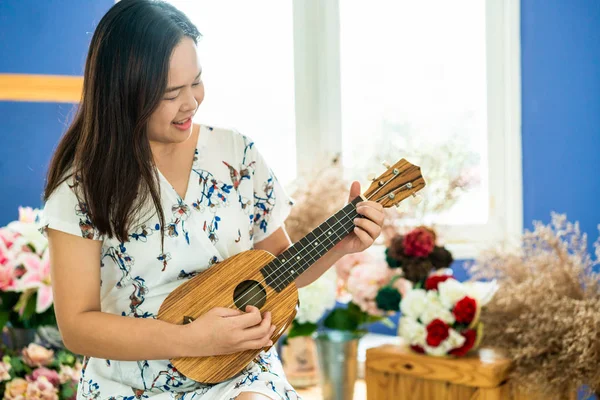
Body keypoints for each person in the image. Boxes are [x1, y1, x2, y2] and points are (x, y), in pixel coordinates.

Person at [41, 0, 385, 399]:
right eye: (171, 93)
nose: (191, 102)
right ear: (123, 93)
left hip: (236, 374)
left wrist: (338, 247)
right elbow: (77, 328)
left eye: (196, 82)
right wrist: (191, 340)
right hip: (128, 383)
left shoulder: (236, 154)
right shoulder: (81, 186)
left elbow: (277, 271)